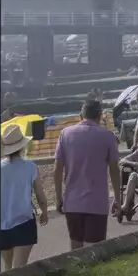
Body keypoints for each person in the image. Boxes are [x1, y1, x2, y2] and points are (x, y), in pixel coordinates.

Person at [56, 99, 122, 250]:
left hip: (72, 202)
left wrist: (58, 197)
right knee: (94, 250)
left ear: (81, 115)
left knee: (75, 246)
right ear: (99, 116)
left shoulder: (65, 134)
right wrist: (118, 199)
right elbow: (114, 170)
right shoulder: (107, 136)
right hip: (96, 202)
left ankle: (78, 273)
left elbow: (57, 169)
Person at [0, 123, 49, 270]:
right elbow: (40, 194)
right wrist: (44, 212)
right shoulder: (30, 166)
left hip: (2, 222)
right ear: (21, 146)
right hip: (24, 220)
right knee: (20, 267)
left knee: (7, 267)